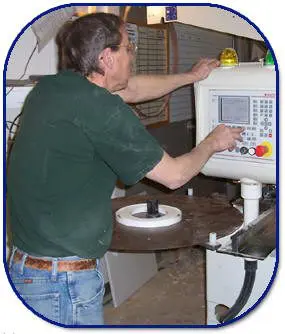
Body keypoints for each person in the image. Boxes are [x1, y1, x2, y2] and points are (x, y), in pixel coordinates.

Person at [7, 12, 243, 326]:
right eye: (128, 48)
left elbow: (131, 89)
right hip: (61, 282)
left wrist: (192, 76)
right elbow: (174, 176)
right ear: (106, 58)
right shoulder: (102, 110)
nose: (132, 54)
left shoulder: (52, 89)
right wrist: (212, 142)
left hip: (25, 264)